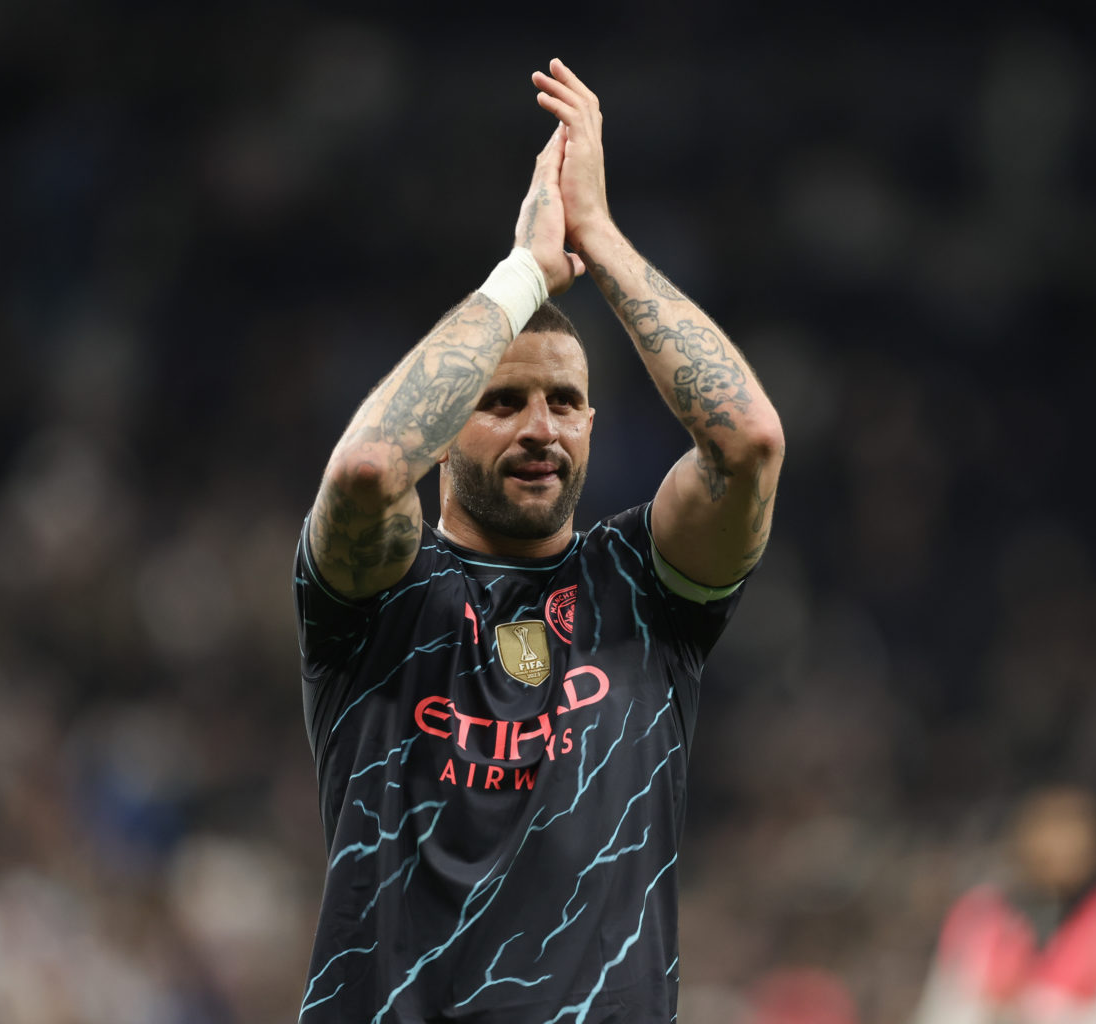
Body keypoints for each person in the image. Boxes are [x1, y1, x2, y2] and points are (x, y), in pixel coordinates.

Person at [291, 58, 784, 1023]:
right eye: (502, 402)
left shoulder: (643, 588)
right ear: (442, 429)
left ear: (594, 426)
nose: (539, 429)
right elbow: (364, 472)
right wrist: (522, 276)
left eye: (565, 403)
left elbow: (749, 441)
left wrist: (599, 240)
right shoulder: (385, 595)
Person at [912, 784, 1096, 1024]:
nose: (1056, 842)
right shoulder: (981, 919)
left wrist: (1019, 1010)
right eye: (1044, 822)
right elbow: (943, 1012)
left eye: (1071, 823)